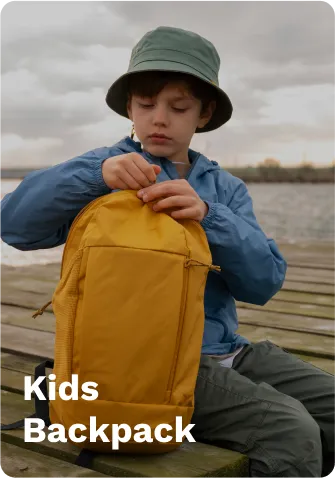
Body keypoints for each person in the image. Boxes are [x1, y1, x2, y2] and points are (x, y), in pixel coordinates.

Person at [0, 26, 334, 478]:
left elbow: (263, 284)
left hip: (226, 350)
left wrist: (210, 217)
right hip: (141, 365)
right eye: (146, 105)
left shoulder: (225, 190)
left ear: (204, 112)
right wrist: (95, 175)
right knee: (291, 431)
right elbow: (14, 226)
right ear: (129, 110)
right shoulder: (102, 173)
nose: (160, 119)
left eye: (178, 107)